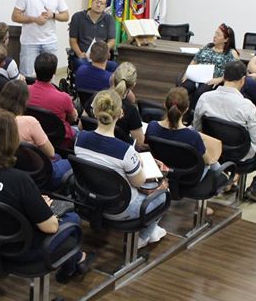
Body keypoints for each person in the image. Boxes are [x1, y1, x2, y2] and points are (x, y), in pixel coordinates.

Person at [0, 109, 92, 282]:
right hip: (22, 250)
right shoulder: (19, 180)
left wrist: (32, 203)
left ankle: (77, 260)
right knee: (72, 218)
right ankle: (71, 267)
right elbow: (50, 228)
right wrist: (44, 206)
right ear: (13, 140)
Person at [74, 91, 169, 247]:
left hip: (90, 201)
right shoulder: (125, 151)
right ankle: (144, 237)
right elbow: (139, 182)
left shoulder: (80, 139)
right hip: (120, 209)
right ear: (121, 114)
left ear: (94, 112)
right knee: (163, 194)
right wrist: (138, 164)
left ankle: (152, 232)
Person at [193, 60, 256, 203]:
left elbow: (197, 128)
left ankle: (230, 179)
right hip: (241, 157)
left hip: (214, 153)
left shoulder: (205, 98)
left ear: (224, 77)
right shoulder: (246, 106)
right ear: (243, 80)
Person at [0, 80, 72, 189]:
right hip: (38, 174)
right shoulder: (29, 122)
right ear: (24, 100)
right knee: (70, 162)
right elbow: (50, 152)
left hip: (10, 169)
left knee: (58, 157)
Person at [146, 87, 222, 179]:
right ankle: (226, 179)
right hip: (188, 178)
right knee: (214, 164)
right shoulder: (193, 136)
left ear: (165, 105)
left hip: (162, 172)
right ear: (186, 108)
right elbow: (207, 161)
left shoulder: (152, 126)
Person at [12, 0, 70, 77]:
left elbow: (66, 16)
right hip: (29, 43)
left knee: (49, 77)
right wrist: (34, 19)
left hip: (50, 42)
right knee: (27, 76)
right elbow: (15, 16)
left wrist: (53, 15)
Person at [181, 23, 239, 105]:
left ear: (226, 39)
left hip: (213, 80)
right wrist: (188, 73)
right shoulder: (207, 47)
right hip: (197, 76)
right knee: (183, 89)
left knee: (200, 93)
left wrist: (220, 79)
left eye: (218, 35)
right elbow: (195, 60)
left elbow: (235, 71)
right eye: (215, 33)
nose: (215, 36)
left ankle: (193, 112)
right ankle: (178, 111)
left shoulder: (231, 53)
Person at [28, 53, 78, 148]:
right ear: (54, 72)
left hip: (33, 137)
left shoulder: (24, 91)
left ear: (35, 69)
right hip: (60, 140)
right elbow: (72, 119)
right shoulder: (64, 97)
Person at [68, 0, 115, 67]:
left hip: (101, 57)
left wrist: (103, 51)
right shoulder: (77, 17)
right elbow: (73, 40)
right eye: (97, 2)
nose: (98, 5)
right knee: (82, 64)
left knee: (113, 66)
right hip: (84, 56)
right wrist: (79, 54)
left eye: (102, 3)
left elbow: (112, 40)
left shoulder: (109, 19)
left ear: (105, 6)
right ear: (92, 2)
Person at [111, 63, 145, 150]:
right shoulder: (131, 111)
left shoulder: (97, 98)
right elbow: (139, 145)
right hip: (118, 152)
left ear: (113, 78)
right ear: (133, 85)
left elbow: (81, 126)